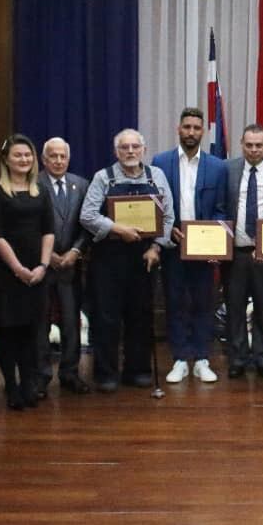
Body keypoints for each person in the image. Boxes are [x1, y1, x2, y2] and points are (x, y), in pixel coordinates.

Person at [80, 129, 174, 392]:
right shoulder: (103, 178)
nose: (130, 152)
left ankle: (138, 370)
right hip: (109, 257)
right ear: (116, 152)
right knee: (106, 317)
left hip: (144, 256)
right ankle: (106, 373)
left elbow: (168, 218)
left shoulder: (157, 177)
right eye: (124, 148)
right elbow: (87, 216)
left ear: (143, 149)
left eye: (135, 147)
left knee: (140, 316)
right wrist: (117, 228)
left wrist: (157, 247)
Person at [151, 109, 227, 385]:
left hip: (204, 248)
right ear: (178, 129)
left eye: (196, 127)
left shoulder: (218, 166)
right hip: (172, 245)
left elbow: (221, 209)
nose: (191, 132)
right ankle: (180, 358)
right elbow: (155, 204)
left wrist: (213, 237)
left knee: (203, 302)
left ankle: (202, 358)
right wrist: (166, 227)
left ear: (203, 131)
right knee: (175, 302)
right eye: (187, 127)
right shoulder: (160, 163)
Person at [216, 124, 263, 379]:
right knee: (234, 308)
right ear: (241, 144)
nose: (253, 150)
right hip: (234, 253)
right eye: (249, 145)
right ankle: (237, 358)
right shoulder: (226, 170)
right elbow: (219, 207)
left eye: (258, 145)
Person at [0, 134, 55, 410]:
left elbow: (48, 231)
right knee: (9, 331)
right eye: (18, 155)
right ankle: (11, 386)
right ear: (6, 159)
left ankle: (29, 383)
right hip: (7, 271)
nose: (24, 160)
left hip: (37, 270)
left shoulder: (41, 190)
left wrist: (42, 266)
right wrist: (17, 269)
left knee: (31, 330)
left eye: (28, 155)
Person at [35, 137, 91, 395]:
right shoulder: (32, 185)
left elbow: (87, 224)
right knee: (40, 323)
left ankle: (70, 373)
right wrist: (48, 255)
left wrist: (76, 250)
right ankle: (41, 376)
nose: (58, 161)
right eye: (53, 156)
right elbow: (27, 227)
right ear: (44, 159)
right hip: (41, 267)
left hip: (70, 266)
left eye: (63, 156)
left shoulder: (81, 185)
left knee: (71, 323)